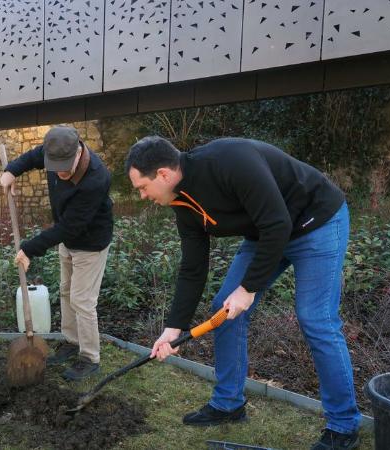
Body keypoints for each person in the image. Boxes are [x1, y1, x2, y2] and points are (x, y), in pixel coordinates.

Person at [125, 136, 361, 450]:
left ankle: (343, 426)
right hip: (267, 233)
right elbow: (193, 268)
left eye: (142, 187)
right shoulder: (182, 201)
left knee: (316, 320)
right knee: (224, 311)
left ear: (164, 175)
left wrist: (249, 288)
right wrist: (173, 328)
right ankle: (228, 405)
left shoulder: (229, 161)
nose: (141, 195)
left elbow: (278, 222)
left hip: (315, 223)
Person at [0, 126, 113, 380]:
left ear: (77, 152)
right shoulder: (54, 150)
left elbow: (69, 226)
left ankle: (89, 357)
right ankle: (72, 342)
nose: (60, 173)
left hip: (91, 244)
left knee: (83, 300)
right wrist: (11, 171)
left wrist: (29, 249)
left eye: (65, 168)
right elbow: (31, 157)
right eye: (55, 167)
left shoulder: (96, 178)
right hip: (68, 240)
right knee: (65, 291)